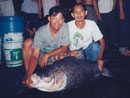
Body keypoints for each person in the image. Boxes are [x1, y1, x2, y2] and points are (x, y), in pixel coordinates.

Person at [23, 6, 70, 87]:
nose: (57, 22)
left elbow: (65, 47)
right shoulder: (41, 31)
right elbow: (35, 55)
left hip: (55, 54)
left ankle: (57, 81)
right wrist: (29, 74)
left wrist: (47, 55)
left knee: (63, 57)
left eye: (60, 18)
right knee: (28, 43)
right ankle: (28, 75)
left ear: (63, 20)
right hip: (42, 55)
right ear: (49, 18)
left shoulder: (65, 27)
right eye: (54, 18)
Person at [68, 3, 105, 71]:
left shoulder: (92, 24)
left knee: (95, 47)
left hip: (88, 50)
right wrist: (69, 52)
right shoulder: (68, 26)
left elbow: (102, 42)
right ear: (72, 15)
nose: (79, 14)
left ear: (85, 13)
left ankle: (92, 66)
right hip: (76, 52)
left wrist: (99, 57)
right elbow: (64, 44)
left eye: (81, 11)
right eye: (76, 12)